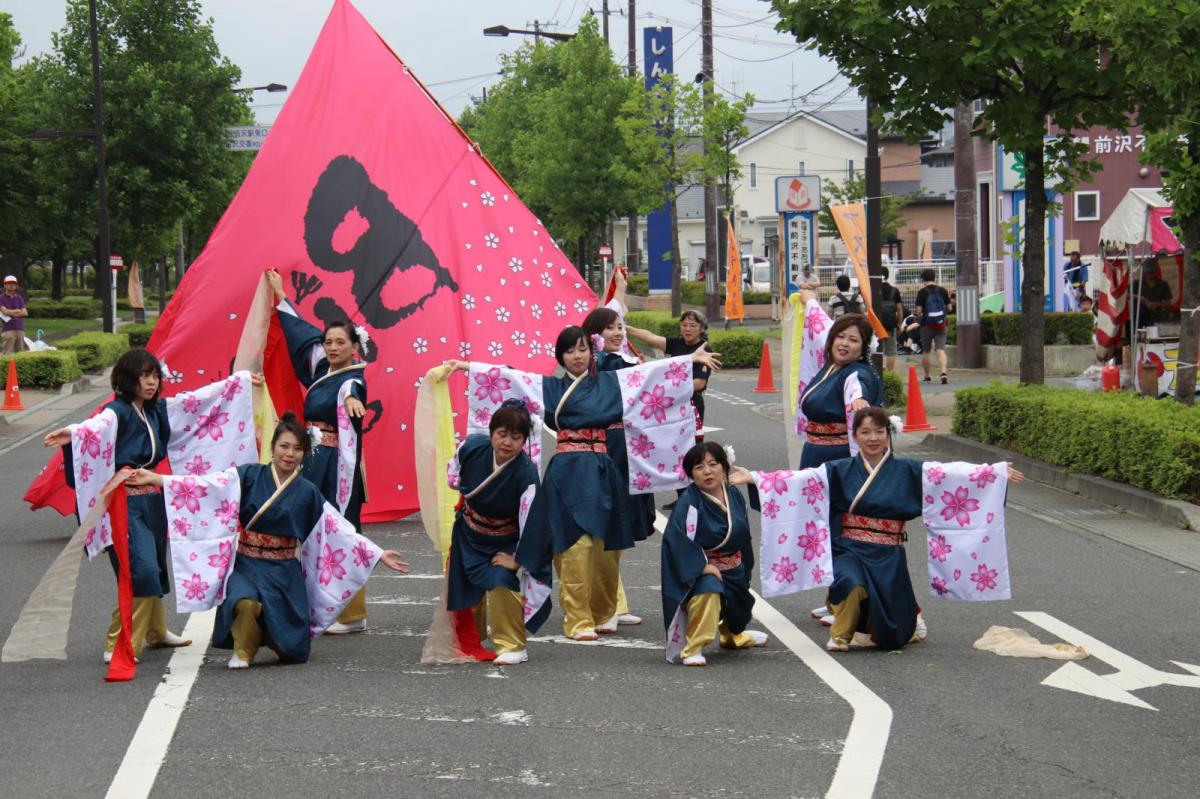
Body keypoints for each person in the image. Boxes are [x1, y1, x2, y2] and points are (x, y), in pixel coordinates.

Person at [444, 327, 720, 641]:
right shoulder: (550, 387)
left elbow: (649, 375)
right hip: (567, 471)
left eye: (582, 349)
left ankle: (603, 613)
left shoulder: (610, 383)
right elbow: (514, 378)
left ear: (592, 352)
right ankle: (577, 620)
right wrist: (470, 368)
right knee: (573, 546)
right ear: (560, 357)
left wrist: (688, 360)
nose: (577, 356)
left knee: (606, 550)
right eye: (570, 351)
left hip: (604, 469)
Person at [125, 412, 409, 669]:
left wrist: (375, 553)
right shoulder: (249, 475)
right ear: (272, 447)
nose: (290, 454)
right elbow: (208, 485)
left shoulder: (307, 492)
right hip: (247, 563)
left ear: (304, 453)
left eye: (298, 449)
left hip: (283, 570)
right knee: (244, 602)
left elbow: (335, 528)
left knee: (293, 652)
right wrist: (159, 479)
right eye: (284, 446)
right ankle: (244, 649)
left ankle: (271, 636)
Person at [821, 407, 1023, 651]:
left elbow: (949, 474)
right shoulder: (838, 469)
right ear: (854, 436)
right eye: (865, 432)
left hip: (888, 554)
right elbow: (803, 481)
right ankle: (840, 635)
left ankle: (901, 618)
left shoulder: (909, 470)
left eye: (879, 431)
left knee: (893, 635)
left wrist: (994, 473)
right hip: (849, 548)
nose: (873, 438)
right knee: (849, 582)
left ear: (888, 434)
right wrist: (762, 482)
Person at [43, 349, 191, 662]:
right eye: (144, 375)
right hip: (124, 504)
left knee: (156, 566)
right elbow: (94, 428)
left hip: (151, 499)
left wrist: (241, 383)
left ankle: (155, 631)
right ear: (128, 378)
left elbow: (195, 404)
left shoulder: (153, 411)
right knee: (141, 569)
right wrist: (71, 432)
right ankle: (116, 640)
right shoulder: (118, 411)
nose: (151, 382)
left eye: (155, 376)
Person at [266, 268, 371, 635]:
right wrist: (280, 297)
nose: (332, 347)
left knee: (340, 529)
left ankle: (352, 613)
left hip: (335, 465)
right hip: (312, 461)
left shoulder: (352, 378)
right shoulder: (322, 366)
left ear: (354, 347)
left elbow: (351, 394)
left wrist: (353, 402)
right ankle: (317, 604)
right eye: (329, 341)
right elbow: (299, 332)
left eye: (340, 342)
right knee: (310, 531)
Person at [446, 401, 548, 665]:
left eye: (516, 437)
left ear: (525, 440)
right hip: (468, 534)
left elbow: (533, 522)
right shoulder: (471, 447)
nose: (507, 442)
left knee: (502, 578)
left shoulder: (525, 474)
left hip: (504, 540)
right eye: (502, 434)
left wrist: (518, 559)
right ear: (491, 432)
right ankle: (471, 638)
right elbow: (453, 473)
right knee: (466, 586)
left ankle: (512, 643)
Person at [661, 441, 768, 666]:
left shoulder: (733, 495)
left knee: (739, 605)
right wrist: (701, 566)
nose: (707, 471)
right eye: (699, 467)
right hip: (704, 567)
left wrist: (745, 562)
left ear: (724, 467)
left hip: (734, 564)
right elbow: (678, 540)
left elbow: (743, 532)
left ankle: (733, 635)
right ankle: (693, 647)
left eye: (713, 464)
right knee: (708, 592)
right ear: (691, 473)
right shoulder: (689, 502)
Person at [581, 293, 653, 626]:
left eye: (620, 326)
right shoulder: (604, 365)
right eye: (610, 327)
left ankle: (613, 602)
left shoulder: (613, 361)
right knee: (607, 525)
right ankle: (603, 607)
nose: (618, 332)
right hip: (608, 448)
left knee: (616, 526)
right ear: (594, 334)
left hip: (624, 447)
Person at [626, 309, 713, 444]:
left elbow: (700, 383)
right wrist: (625, 328)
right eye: (684, 325)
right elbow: (651, 337)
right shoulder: (677, 343)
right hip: (672, 402)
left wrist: (670, 388)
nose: (687, 329)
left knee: (691, 444)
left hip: (691, 404)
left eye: (693, 325)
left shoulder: (704, 350)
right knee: (671, 443)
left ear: (702, 328)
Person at [914, 268, 953, 384]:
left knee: (926, 351)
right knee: (940, 349)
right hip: (941, 324)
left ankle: (927, 375)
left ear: (923, 279)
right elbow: (950, 308)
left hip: (926, 325)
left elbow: (919, 311)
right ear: (934, 278)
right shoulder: (943, 290)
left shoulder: (922, 292)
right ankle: (943, 372)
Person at [1131, 258, 1175, 329]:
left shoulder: (1163, 284)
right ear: (1144, 273)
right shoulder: (1136, 283)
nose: (1150, 275)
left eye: (1152, 272)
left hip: (1157, 317)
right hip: (1139, 318)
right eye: (1148, 273)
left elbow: (1168, 303)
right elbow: (1126, 295)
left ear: (1155, 272)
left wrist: (1158, 304)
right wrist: (1142, 299)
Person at [877, 266, 904, 371]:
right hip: (890, 324)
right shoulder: (894, 290)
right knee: (891, 351)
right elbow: (899, 308)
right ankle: (889, 374)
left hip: (876, 324)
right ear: (887, 276)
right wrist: (900, 324)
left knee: (876, 349)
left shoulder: (873, 289)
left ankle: (879, 372)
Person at [1, 274, 29, 355]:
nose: (11, 285)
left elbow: (25, 313)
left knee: (20, 353)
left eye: (13, 283)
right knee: (7, 353)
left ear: (16, 285)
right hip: (8, 329)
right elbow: (4, 312)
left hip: (20, 328)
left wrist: (11, 313)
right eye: (9, 283)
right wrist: (17, 310)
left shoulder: (19, 298)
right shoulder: (1, 298)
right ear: (5, 285)